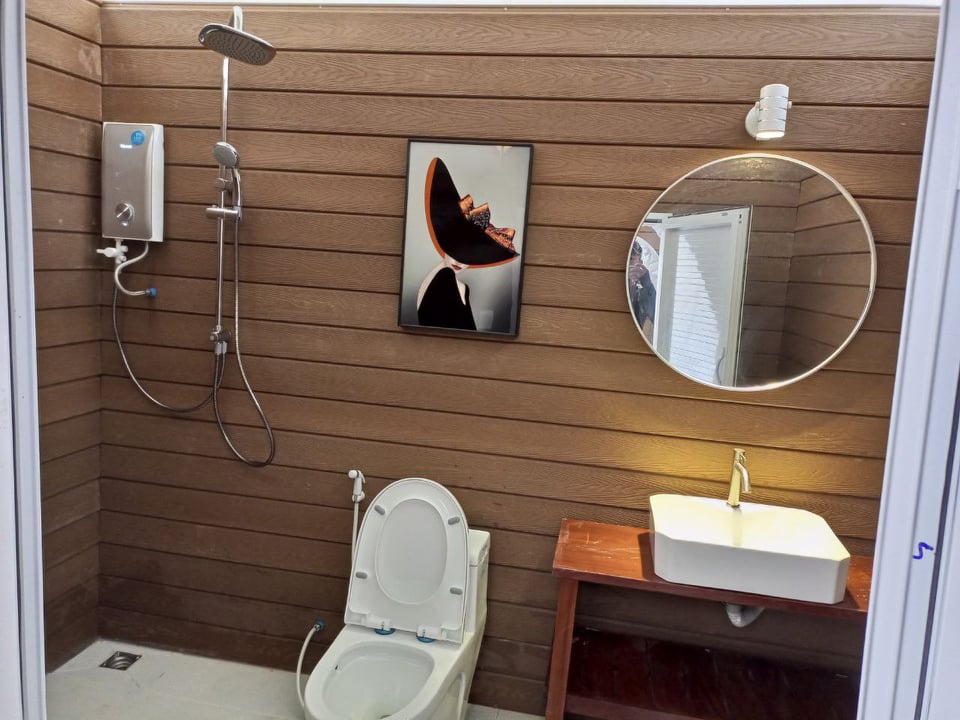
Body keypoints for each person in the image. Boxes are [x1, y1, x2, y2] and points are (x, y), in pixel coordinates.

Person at [416, 157, 520, 331]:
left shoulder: (458, 285)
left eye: (469, 255)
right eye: (457, 250)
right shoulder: (444, 278)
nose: (460, 261)